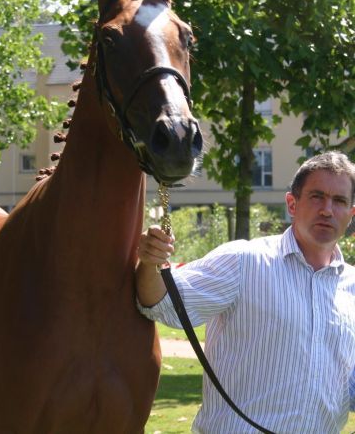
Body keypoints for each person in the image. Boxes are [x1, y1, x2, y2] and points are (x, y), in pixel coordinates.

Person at [136, 151, 355, 434]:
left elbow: (347, 384)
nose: (327, 209)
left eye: (339, 201)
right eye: (316, 196)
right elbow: (159, 303)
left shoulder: (351, 286)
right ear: (292, 203)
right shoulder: (243, 261)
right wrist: (150, 262)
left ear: (350, 214)